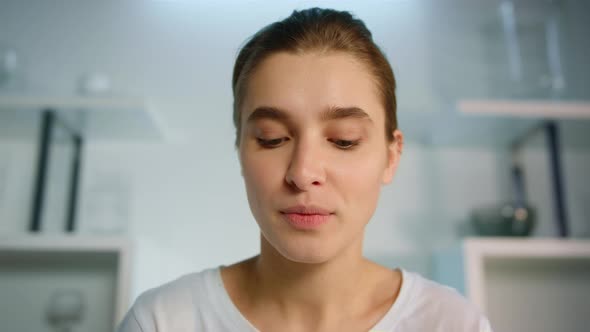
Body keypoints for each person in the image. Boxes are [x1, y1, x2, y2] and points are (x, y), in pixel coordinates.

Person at [118, 7, 493, 332]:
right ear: (240, 150)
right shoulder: (162, 321)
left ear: (391, 156)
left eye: (344, 140)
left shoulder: (451, 323)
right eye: (272, 138)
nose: (303, 172)